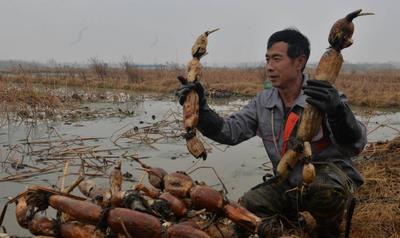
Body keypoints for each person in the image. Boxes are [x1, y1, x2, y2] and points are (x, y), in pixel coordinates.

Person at [176, 28, 366, 238]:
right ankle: (292, 221)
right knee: (251, 204)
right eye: (267, 59)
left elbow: (356, 144)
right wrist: (200, 107)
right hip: (288, 180)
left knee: (322, 192)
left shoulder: (324, 97)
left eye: (277, 59)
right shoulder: (263, 102)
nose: (269, 67)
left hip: (330, 181)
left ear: (299, 61)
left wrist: (337, 110)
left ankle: (327, 229)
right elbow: (228, 132)